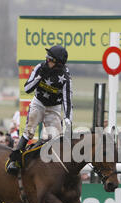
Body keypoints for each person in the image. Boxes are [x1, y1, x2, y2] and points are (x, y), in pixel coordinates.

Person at [7, 45, 73, 175]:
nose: (47, 60)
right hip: (38, 102)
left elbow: (68, 100)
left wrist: (68, 119)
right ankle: (14, 161)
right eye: (47, 57)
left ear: (59, 63)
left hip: (54, 108)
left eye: (51, 59)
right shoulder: (40, 67)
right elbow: (27, 89)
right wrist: (39, 77)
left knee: (56, 137)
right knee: (29, 130)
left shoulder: (65, 77)